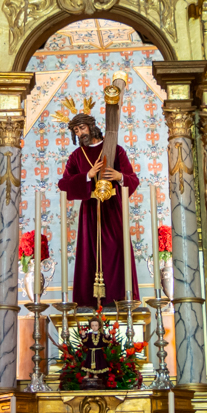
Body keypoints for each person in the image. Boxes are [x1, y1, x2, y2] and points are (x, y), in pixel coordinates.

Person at [58, 110, 138, 309]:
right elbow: (64, 185)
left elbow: (132, 179)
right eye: (76, 130)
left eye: (82, 128)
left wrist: (119, 176)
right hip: (90, 214)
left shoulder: (115, 150)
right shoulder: (76, 156)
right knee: (90, 256)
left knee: (117, 251)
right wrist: (88, 175)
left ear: (92, 126)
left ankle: (119, 300)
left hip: (113, 212)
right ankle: (89, 304)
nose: (80, 133)